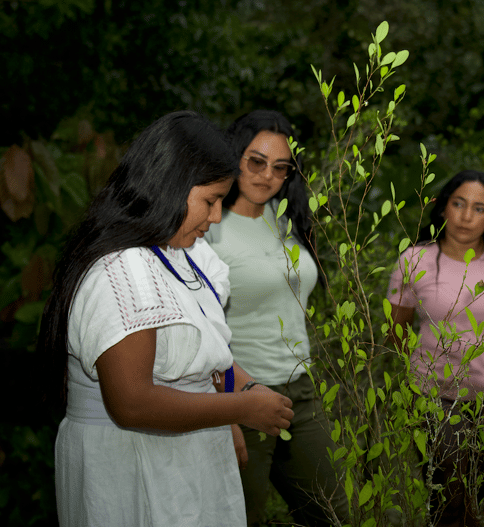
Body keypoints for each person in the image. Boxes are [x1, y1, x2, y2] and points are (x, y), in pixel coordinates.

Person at [39, 111, 295, 527]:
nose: (216, 217)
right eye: (210, 201)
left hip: (180, 465)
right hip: (131, 466)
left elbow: (199, 351)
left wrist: (243, 387)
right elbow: (132, 403)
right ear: (170, 184)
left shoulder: (177, 252)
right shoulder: (121, 271)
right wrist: (238, 408)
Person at [205, 109, 348, 527]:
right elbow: (198, 328)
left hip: (299, 392)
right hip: (240, 394)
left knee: (333, 515)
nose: (267, 175)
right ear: (234, 156)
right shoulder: (209, 226)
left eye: (280, 167)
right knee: (239, 519)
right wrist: (226, 411)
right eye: (256, 161)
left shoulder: (286, 217)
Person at [387, 170, 484, 527]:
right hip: (437, 399)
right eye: (459, 204)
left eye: (479, 208)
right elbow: (397, 331)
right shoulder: (414, 260)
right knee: (449, 505)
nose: (467, 216)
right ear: (443, 208)